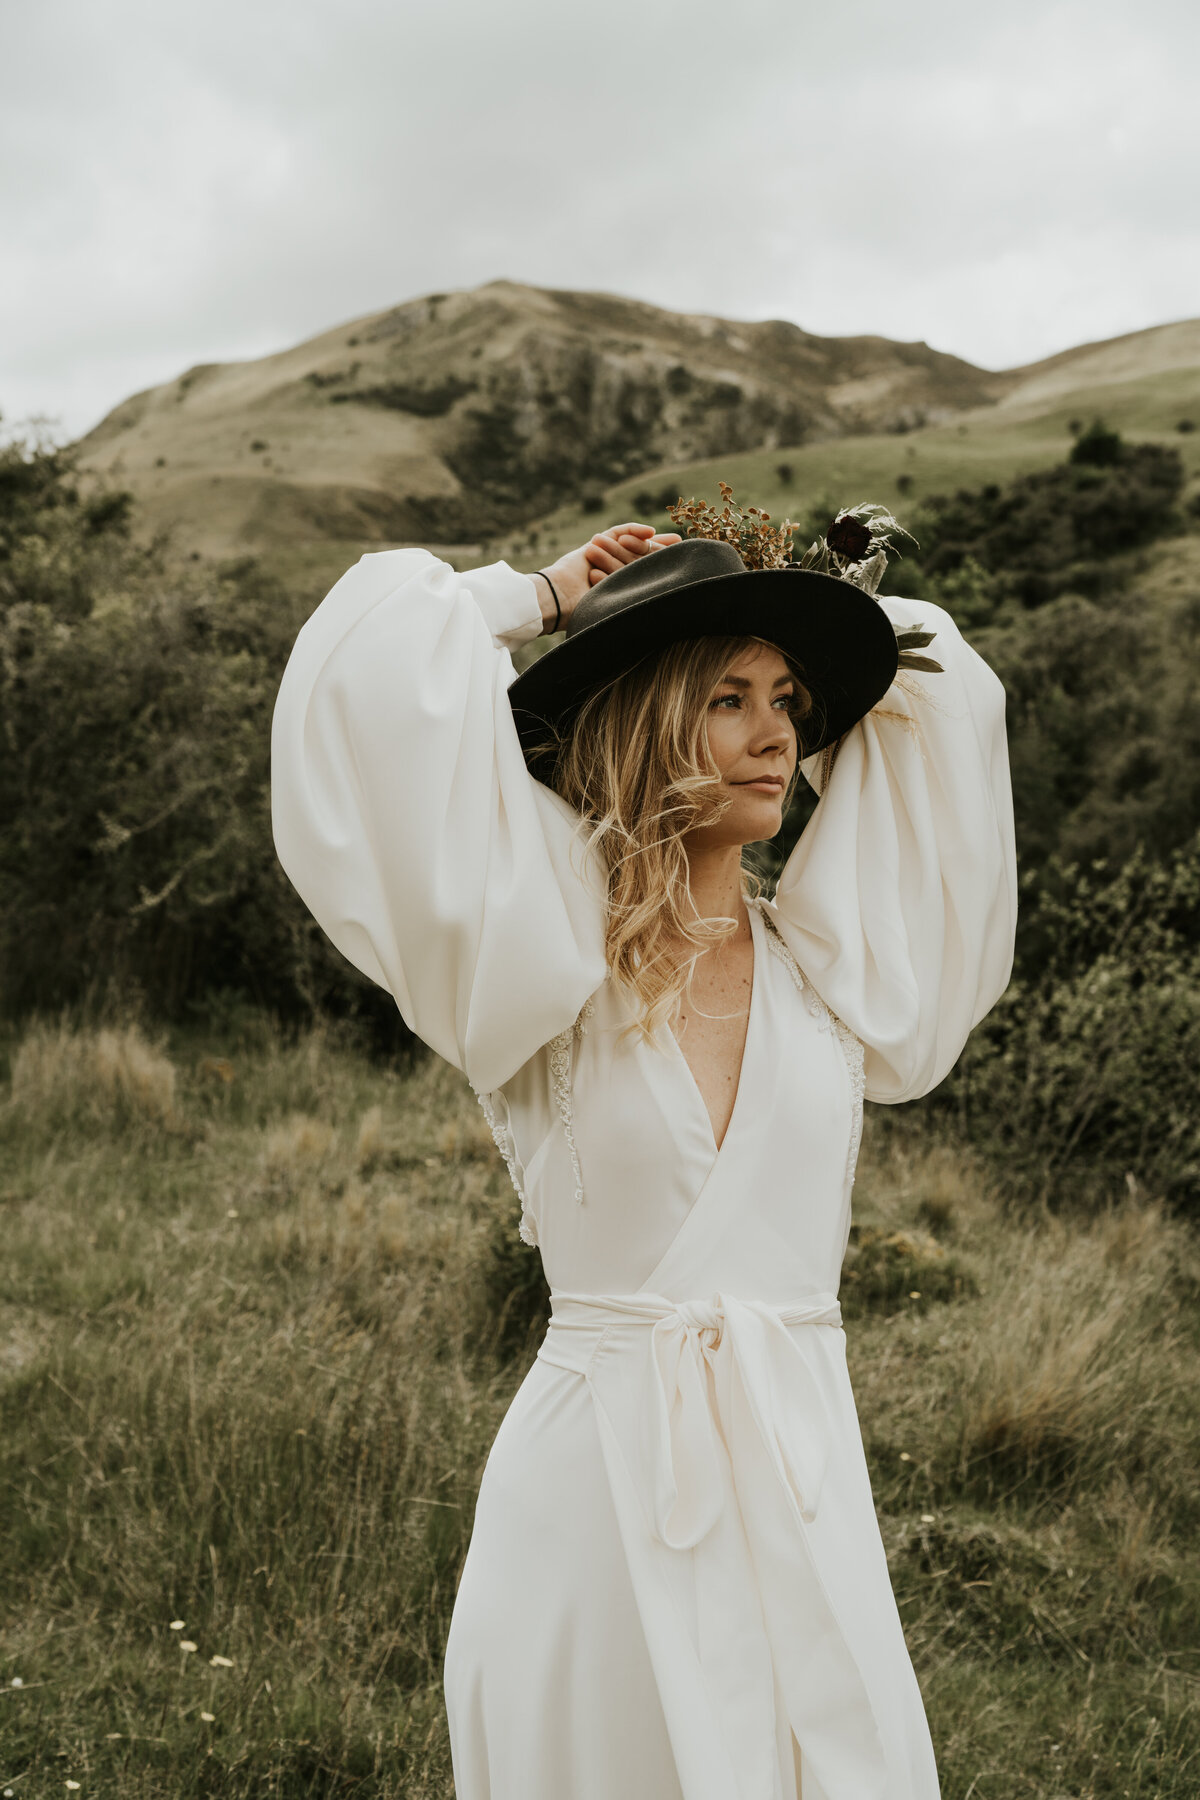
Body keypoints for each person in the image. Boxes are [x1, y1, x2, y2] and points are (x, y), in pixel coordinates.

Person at [270, 513, 1017, 1800]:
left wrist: (848, 620)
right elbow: (369, 672)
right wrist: (543, 599)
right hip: (594, 1507)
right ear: (645, 721)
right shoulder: (535, 963)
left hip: (802, 1487)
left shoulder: (838, 973)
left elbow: (951, 714)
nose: (776, 734)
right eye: (726, 698)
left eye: (790, 701)